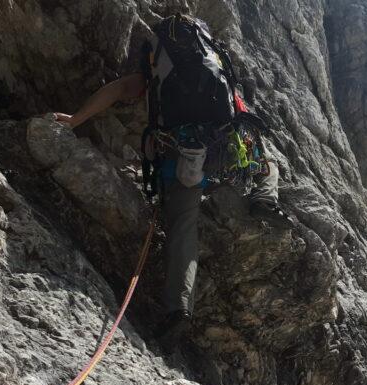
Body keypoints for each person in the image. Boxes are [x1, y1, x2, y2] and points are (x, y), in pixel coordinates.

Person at [54, 14, 289, 347]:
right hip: (222, 150)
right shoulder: (214, 58)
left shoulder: (156, 58)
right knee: (266, 163)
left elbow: (123, 88)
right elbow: (238, 113)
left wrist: (77, 118)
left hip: (180, 153)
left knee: (182, 223)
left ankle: (178, 307)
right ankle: (264, 198)